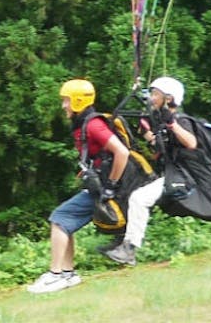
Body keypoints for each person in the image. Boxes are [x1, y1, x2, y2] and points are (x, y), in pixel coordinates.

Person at [27, 79, 130, 294]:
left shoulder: (93, 124)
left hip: (107, 189)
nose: (63, 105)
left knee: (59, 219)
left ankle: (56, 275)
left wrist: (110, 186)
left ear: (78, 101)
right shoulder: (83, 123)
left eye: (66, 100)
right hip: (98, 186)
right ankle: (67, 274)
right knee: (65, 221)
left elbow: (122, 152)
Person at [103, 76, 197, 266]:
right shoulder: (162, 122)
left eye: (155, 94)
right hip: (170, 174)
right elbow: (160, 145)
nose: (151, 98)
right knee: (129, 192)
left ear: (168, 99)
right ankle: (121, 240)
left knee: (139, 198)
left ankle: (129, 250)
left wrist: (172, 124)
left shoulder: (180, 120)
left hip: (184, 176)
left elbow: (191, 142)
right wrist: (146, 132)